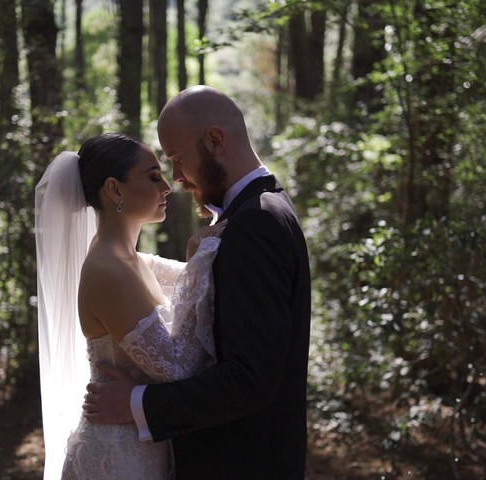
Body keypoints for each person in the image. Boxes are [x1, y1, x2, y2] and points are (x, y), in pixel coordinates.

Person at [84, 86, 312, 479]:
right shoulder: (262, 210)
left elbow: (250, 378)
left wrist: (140, 402)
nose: (175, 178)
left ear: (215, 140)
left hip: (243, 463)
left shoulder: (254, 224)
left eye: (176, 159)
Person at [35, 132, 224, 479]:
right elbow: (177, 366)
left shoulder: (132, 261)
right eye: (153, 177)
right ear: (115, 189)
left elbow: (197, 285)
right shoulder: (109, 269)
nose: (167, 187)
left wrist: (204, 256)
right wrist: (200, 256)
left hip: (140, 444)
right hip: (116, 457)